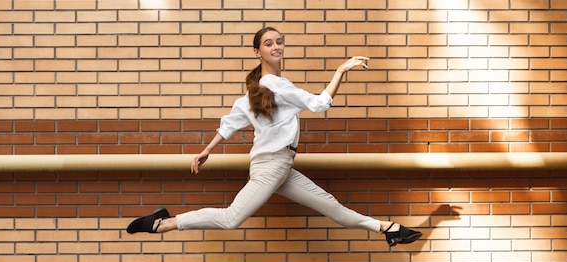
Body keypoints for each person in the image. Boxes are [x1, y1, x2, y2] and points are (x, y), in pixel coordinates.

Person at [127, 27, 421, 248]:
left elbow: (229, 124)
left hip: (279, 166)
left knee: (331, 206)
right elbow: (320, 104)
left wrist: (207, 151)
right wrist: (342, 70)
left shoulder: (257, 91)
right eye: (269, 43)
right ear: (258, 52)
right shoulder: (276, 86)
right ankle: (162, 224)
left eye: (279, 42)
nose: (276, 46)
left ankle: (388, 229)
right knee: (231, 219)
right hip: (272, 167)